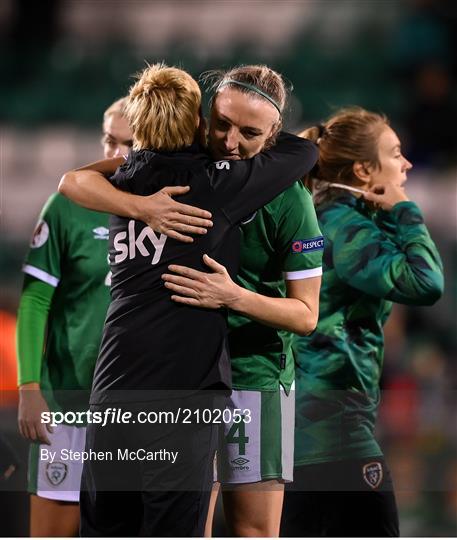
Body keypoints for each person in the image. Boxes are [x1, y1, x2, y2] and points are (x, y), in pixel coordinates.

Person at [59, 64, 324, 537]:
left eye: (249, 132)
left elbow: (306, 316)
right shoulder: (198, 176)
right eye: (221, 124)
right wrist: (143, 206)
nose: (229, 141)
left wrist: (234, 296)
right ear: (202, 118)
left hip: (251, 373)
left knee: (251, 530)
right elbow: (78, 179)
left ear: (273, 133)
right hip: (190, 381)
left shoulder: (291, 200)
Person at [280, 107, 444, 537]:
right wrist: (405, 209)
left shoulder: (316, 214)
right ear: (363, 169)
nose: (406, 164)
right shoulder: (346, 227)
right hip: (335, 437)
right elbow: (425, 282)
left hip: (300, 434)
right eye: (395, 154)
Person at [15, 97, 133, 537]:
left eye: (129, 144)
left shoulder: (169, 210)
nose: (115, 155)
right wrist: (29, 386)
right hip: (66, 407)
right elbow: (33, 302)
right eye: (109, 140)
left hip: (136, 412)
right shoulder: (65, 206)